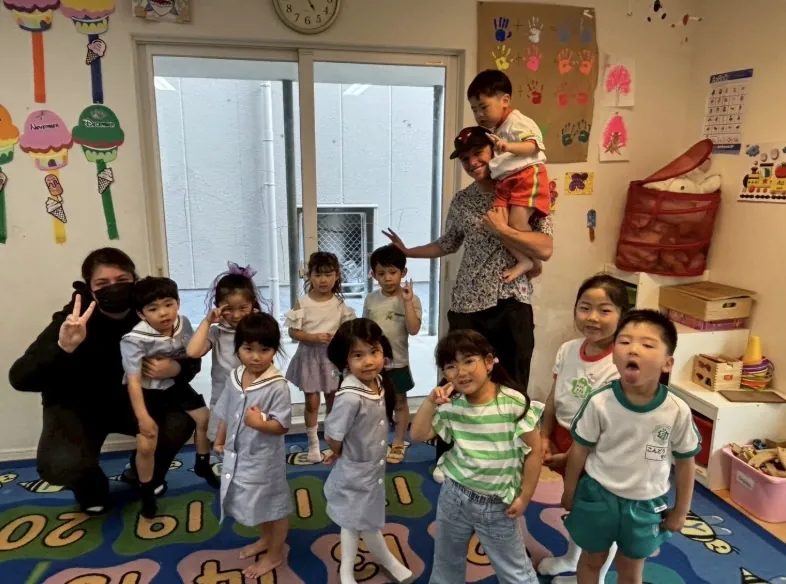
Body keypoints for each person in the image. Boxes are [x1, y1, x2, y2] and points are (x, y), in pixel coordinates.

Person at [384, 125, 553, 481]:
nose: (472, 162)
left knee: (512, 384)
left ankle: (512, 463)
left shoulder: (524, 188)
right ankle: (450, 458)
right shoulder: (462, 201)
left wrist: (502, 230)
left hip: (511, 300)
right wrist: (409, 251)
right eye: (465, 158)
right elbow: (448, 244)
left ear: (495, 151)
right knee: (456, 381)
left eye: (478, 154)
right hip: (466, 303)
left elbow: (545, 248)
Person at [8, 248, 199, 515]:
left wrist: (176, 368)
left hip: (133, 401)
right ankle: (91, 488)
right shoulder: (72, 321)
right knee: (59, 464)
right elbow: (20, 378)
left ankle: (143, 472)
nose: (114, 288)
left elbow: (191, 357)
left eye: (122, 280)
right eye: (102, 283)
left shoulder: (152, 314)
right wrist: (62, 347)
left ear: (135, 280)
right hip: (75, 407)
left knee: (184, 416)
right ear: (89, 288)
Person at [561, 310, 701, 584]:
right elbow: (579, 450)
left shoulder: (677, 410)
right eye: (624, 342)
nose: (633, 349)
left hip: (646, 505)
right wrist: (569, 490)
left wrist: (681, 511)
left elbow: (686, 462)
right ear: (615, 354)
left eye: (647, 345)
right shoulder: (599, 401)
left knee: (631, 569)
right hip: (598, 496)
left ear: (667, 363)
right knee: (590, 560)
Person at [410, 330, 543, 584]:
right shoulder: (451, 405)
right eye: (450, 366)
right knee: (446, 563)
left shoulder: (512, 403)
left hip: (496, 506)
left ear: (489, 361)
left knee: (516, 573)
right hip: (454, 496)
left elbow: (534, 451)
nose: (460, 371)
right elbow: (417, 435)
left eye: (469, 360)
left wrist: (525, 496)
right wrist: (430, 402)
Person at [537, 275, 629, 583]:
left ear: (622, 316)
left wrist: (570, 457)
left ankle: (595, 577)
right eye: (584, 308)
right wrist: (545, 435)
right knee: (577, 506)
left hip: (600, 450)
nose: (592, 318)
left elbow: (612, 427)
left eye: (605, 310)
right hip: (566, 439)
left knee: (599, 518)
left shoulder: (620, 363)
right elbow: (554, 398)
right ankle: (572, 558)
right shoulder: (568, 349)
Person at [121, 277, 219, 518]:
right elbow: (133, 382)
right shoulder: (133, 339)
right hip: (146, 391)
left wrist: (174, 366)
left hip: (172, 384)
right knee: (146, 443)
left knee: (204, 418)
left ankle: (202, 464)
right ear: (141, 314)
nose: (163, 313)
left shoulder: (182, 322)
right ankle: (146, 493)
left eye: (168, 304)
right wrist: (142, 417)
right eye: (153, 309)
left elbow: (190, 354)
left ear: (178, 302)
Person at [323, 319, 410, 584]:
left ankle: (383, 558)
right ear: (345, 361)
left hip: (374, 468)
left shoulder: (380, 382)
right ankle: (347, 570)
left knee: (368, 516)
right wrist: (339, 452)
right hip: (355, 470)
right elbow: (333, 435)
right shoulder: (350, 395)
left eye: (374, 352)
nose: (369, 361)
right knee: (352, 521)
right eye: (358, 355)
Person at [214, 312, 292, 578]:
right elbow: (226, 409)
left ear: (275, 350)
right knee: (256, 503)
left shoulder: (277, 386)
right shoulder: (235, 375)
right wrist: (221, 438)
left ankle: (274, 554)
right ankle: (265, 540)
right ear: (238, 348)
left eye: (264, 350)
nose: (256, 357)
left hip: (264, 459)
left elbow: (282, 426)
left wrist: (259, 424)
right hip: (240, 455)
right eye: (248, 349)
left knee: (273, 505)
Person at [468, 69, 551, 283]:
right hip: (507, 181)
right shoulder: (496, 128)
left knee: (514, 223)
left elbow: (534, 146)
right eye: (474, 110)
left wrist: (508, 145)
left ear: (505, 100)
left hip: (526, 176)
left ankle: (532, 260)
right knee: (499, 223)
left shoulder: (517, 121)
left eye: (483, 107)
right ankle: (524, 259)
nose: (479, 115)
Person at [285, 251, 356, 463]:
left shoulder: (339, 304)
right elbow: (292, 331)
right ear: (309, 276)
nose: (323, 280)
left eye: (328, 274)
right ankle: (313, 443)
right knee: (312, 401)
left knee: (334, 400)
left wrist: (340, 337)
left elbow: (350, 331)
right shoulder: (303, 302)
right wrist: (312, 337)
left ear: (337, 276)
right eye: (318, 274)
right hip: (309, 357)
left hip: (332, 358)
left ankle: (333, 439)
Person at [187, 261, 268, 441]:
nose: (236, 315)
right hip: (224, 399)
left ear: (252, 303)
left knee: (254, 444)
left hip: (254, 400)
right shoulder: (217, 332)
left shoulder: (261, 328)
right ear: (218, 306)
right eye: (228, 309)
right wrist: (208, 321)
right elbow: (193, 352)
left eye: (243, 308)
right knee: (224, 446)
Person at [363, 244, 422, 464]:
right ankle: (373, 440)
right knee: (372, 403)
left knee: (399, 402)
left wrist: (407, 303)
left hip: (398, 362)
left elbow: (414, 329)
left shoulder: (411, 299)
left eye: (393, 272)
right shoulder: (371, 299)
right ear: (374, 275)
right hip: (374, 364)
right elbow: (365, 331)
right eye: (381, 273)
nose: (387, 278)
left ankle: (398, 441)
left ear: (403, 273)